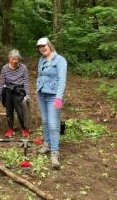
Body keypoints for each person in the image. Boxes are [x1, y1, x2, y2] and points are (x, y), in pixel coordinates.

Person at [36, 37, 67, 169]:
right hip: (41, 94)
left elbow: (62, 80)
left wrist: (59, 97)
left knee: (54, 125)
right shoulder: (41, 59)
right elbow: (40, 75)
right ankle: (46, 145)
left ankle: (55, 152)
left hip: (54, 96)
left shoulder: (60, 60)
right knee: (45, 121)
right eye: (39, 47)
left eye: (44, 46)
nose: (42, 48)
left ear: (49, 45)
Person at [0, 49, 30, 138]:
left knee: (20, 112)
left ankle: (24, 128)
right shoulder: (5, 68)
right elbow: (1, 82)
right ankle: (10, 129)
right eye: (12, 59)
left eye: (16, 59)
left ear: (19, 59)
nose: (14, 61)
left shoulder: (23, 68)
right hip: (8, 91)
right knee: (9, 111)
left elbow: (26, 82)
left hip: (19, 91)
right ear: (9, 59)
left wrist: (27, 94)